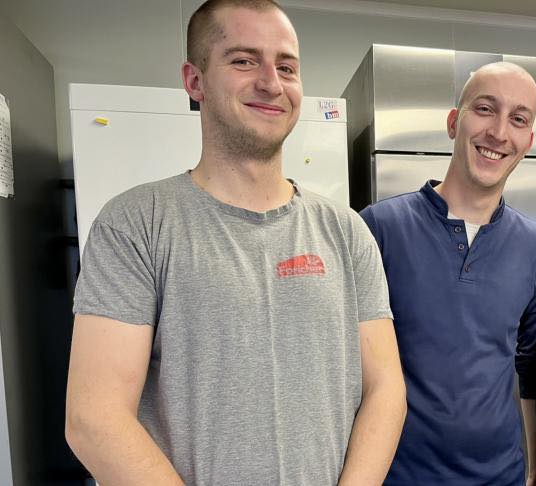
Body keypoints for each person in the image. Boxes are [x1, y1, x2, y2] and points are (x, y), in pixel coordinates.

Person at [64, 1, 406, 484]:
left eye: (286, 66)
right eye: (244, 60)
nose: (271, 82)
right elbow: (94, 419)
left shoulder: (347, 231)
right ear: (195, 81)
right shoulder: (135, 223)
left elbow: (385, 390)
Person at [359, 62, 536, 485]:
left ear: (528, 140)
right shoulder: (378, 228)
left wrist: (534, 467)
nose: (499, 133)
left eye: (518, 119)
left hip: (500, 475)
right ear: (455, 122)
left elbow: (530, 371)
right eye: (485, 109)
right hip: (397, 475)